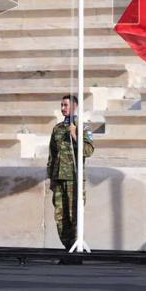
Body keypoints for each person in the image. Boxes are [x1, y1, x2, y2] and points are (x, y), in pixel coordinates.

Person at [46, 94, 94, 255]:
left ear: (74, 106)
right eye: (61, 105)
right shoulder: (57, 129)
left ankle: (76, 251)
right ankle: (68, 249)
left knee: (75, 216)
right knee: (60, 217)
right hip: (59, 178)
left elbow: (88, 151)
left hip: (74, 179)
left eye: (65, 105)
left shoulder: (82, 127)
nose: (62, 108)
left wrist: (75, 134)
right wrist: (51, 178)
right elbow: (52, 155)